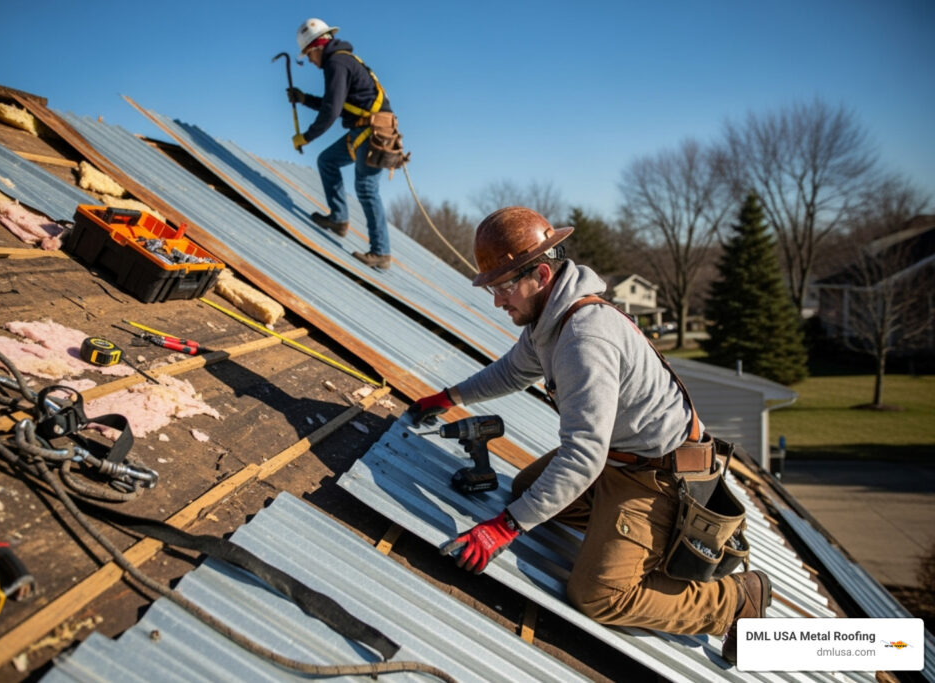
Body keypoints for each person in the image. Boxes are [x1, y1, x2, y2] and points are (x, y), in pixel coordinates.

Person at [407, 206, 771, 664]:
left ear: (540, 273)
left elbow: (582, 457)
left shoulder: (584, 337)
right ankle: (631, 538)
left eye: (503, 287)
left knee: (597, 593)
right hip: (620, 460)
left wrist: (505, 528)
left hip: (660, 479)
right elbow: (514, 371)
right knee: (526, 489)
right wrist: (449, 397)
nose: (498, 301)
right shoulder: (550, 319)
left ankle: (733, 600)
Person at [287, 17, 393, 271]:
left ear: (316, 47)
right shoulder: (341, 61)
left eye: (309, 56)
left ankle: (381, 253)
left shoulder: (336, 62)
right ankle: (338, 219)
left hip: (373, 132)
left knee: (366, 188)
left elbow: (331, 111)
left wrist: (307, 136)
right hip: (364, 130)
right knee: (328, 161)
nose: (311, 62)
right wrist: (304, 99)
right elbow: (337, 102)